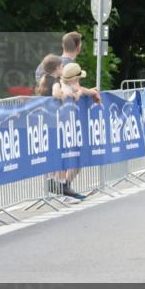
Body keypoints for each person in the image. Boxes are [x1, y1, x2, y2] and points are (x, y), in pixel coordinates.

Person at [50, 62, 90, 200]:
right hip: (61, 128)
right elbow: (58, 93)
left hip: (71, 128)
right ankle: (61, 189)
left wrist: (83, 91)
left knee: (76, 161)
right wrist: (70, 94)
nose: (79, 82)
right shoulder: (59, 85)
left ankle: (65, 186)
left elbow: (79, 90)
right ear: (73, 79)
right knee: (65, 159)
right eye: (78, 79)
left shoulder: (72, 86)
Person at [34, 31, 100, 103]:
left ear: (63, 46)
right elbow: (76, 89)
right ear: (78, 48)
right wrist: (90, 92)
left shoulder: (44, 64)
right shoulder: (71, 67)